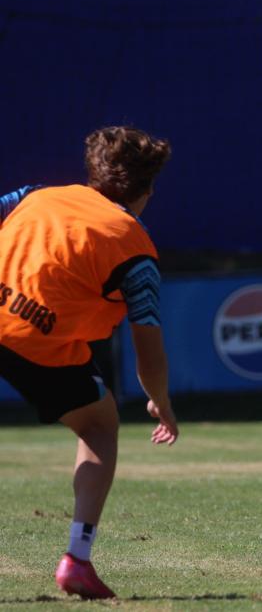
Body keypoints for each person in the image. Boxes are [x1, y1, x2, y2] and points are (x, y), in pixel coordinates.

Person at [0, 126, 179, 599]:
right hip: (37, 345)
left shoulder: (34, 196)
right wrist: (160, 402)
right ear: (146, 191)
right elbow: (149, 350)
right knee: (100, 426)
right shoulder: (134, 247)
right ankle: (77, 559)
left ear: (94, 173)